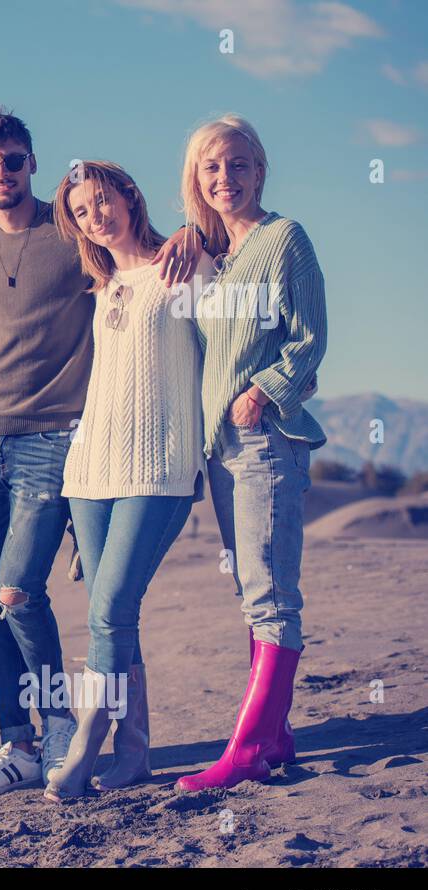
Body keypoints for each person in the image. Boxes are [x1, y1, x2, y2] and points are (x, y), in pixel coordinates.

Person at [0, 107, 202, 798]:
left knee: (28, 590)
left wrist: (190, 229)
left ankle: (70, 730)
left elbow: (199, 252)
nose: (3, 172)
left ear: (31, 162)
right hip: (14, 444)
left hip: (65, 443)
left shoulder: (95, 241)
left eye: (15, 160)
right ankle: (32, 741)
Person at [43, 161, 212, 801]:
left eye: (103, 201)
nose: (96, 217)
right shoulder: (101, 284)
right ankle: (134, 750)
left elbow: (221, 348)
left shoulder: (183, 265)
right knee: (110, 613)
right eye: (82, 212)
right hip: (91, 469)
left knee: (111, 608)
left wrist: (194, 232)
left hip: (160, 464)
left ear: (129, 196)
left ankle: (84, 748)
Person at [174, 115, 327, 792]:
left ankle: (245, 749)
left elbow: (309, 336)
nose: (225, 178)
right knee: (248, 589)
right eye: (212, 167)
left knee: (271, 594)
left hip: (267, 441)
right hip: (220, 450)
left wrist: (265, 391)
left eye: (238, 164)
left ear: (259, 171)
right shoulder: (213, 260)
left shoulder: (284, 238)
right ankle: (279, 734)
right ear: (197, 179)